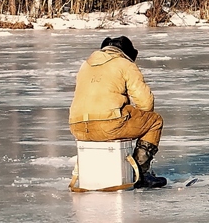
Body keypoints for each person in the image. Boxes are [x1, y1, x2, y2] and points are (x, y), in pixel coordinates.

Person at [69, 36, 167, 188]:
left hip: (78, 128)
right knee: (154, 121)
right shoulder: (124, 63)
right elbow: (146, 103)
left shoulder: (85, 65)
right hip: (108, 125)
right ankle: (140, 173)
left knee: (124, 112)